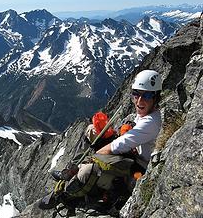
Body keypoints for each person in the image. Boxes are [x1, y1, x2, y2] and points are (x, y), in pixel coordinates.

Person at [39, 70, 162, 211]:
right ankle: (71, 170)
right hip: (131, 155)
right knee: (92, 130)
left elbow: (113, 148)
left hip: (135, 172)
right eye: (136, 94)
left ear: (156, 97)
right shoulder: (145, 114)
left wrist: (89, 160)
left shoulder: (151, 122)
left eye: (146, 95)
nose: (139, 101)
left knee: (88, 169)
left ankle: (63, 195)